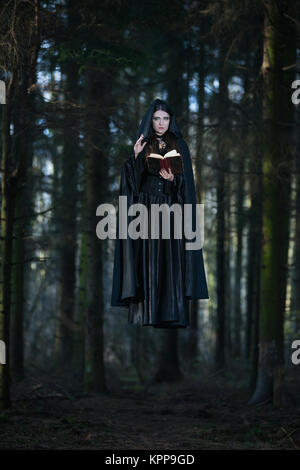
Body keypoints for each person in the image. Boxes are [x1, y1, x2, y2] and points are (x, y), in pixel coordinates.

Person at [111, 98, 209, 328]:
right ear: (150, 120)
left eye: (165, 118)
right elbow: (130, 186)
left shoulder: (180, 145)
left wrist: (174, 179)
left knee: (169, 262)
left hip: (170, 211)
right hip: (145, 210)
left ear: (170, 120)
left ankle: (168, 311)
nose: (161, 123)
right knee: (147, 261)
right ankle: (148, 311)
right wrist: (135, 158)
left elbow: (188, 187)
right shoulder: (141, 144)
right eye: (157, 118)